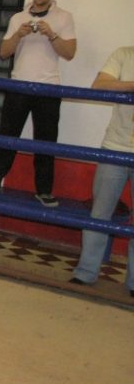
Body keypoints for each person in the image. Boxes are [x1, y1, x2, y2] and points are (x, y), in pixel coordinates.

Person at [0, 0, 77, 207]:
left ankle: (44, 190)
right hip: (18, 84)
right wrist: (18, 34)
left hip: (48, 87)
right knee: (7, 136)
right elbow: (4, 52)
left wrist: (52, 35)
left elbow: (70, 53)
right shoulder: (18, 17)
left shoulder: (64, 17)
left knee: (46, 141)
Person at [71, 47, 134, 294]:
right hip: (114, 147)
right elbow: (100, 84)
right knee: (99, 214)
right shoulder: (125, 55)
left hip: (116, 148)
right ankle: (86, 273)